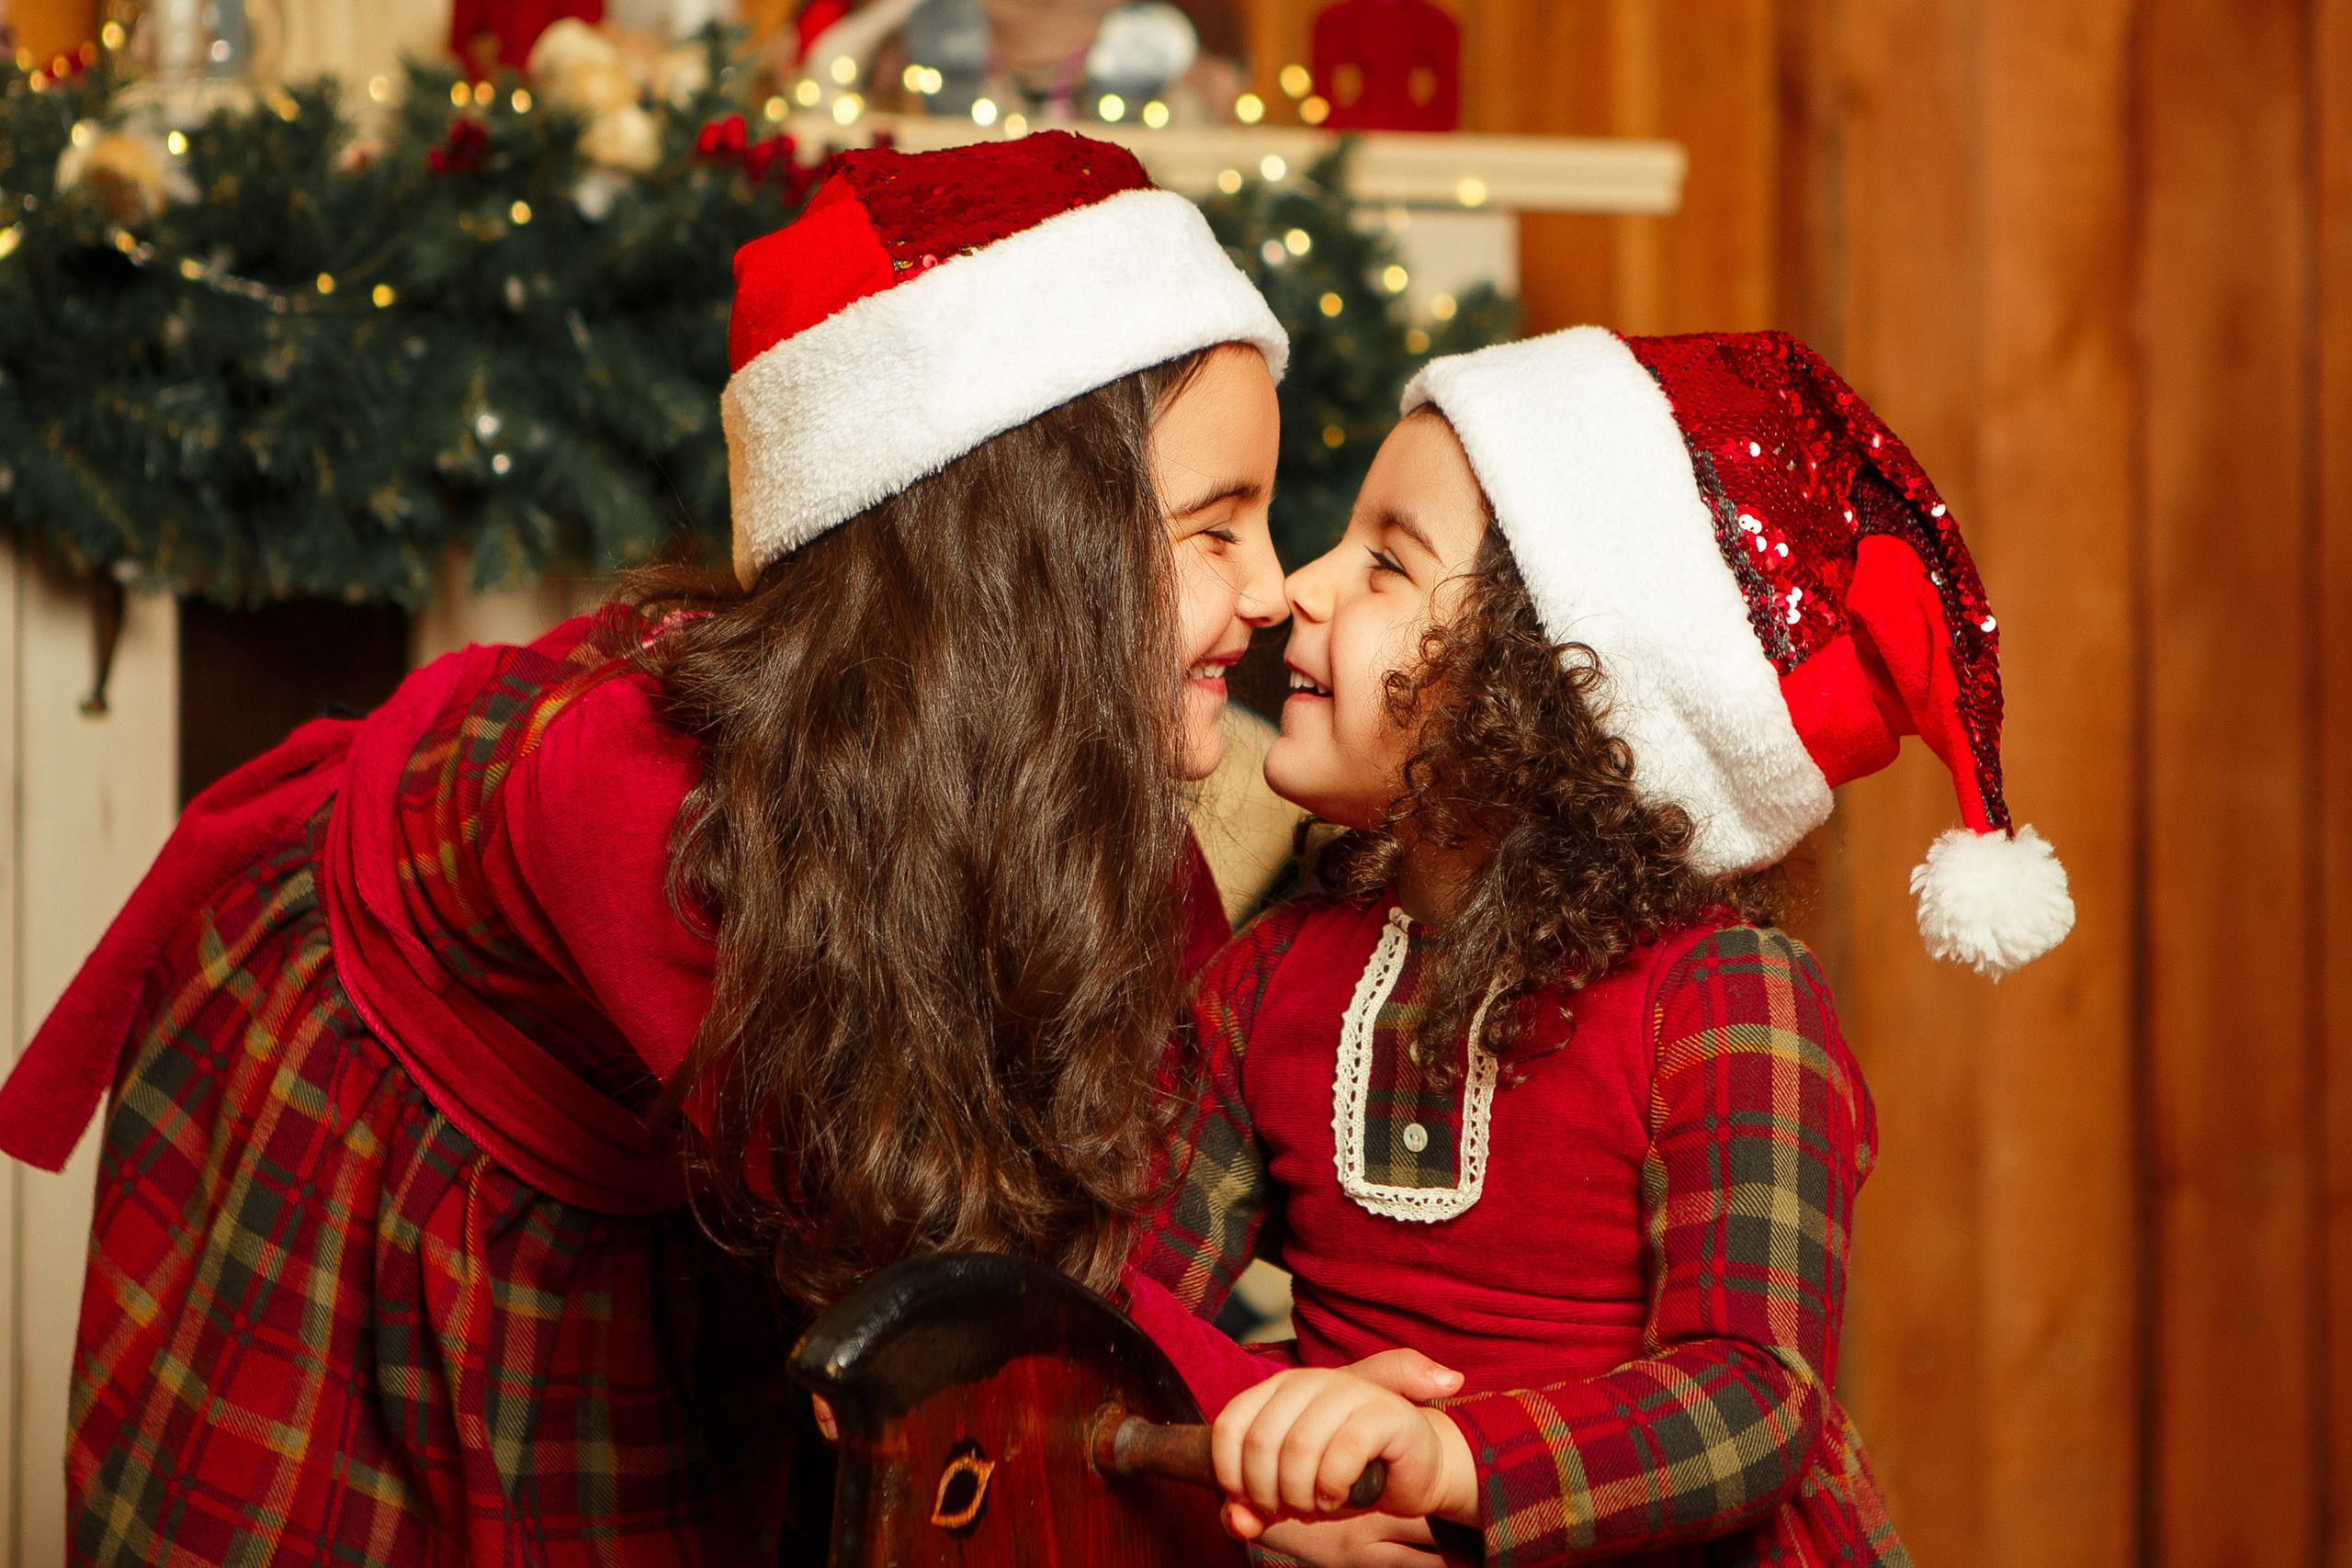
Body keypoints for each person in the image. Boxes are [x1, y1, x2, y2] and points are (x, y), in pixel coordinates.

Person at [0, 131, 1295, 1566]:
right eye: (1216, 527)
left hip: (701, 1126)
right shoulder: (642, 804)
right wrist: (1263, 1441)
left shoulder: (1072, 781)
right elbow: (949, 1264)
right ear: (1020, 562)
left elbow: (1138, 1150)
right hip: (388, 1114)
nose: (1277, 586)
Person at [1125, 327, 2077, 1566]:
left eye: (1386, 564)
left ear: (1551, 689)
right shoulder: (1267, 982)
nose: (1300, 584)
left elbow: (1754, 1400)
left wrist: (1453, 1462)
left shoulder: (1724, 998)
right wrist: (1274, 1438)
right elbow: (1127, 1309)